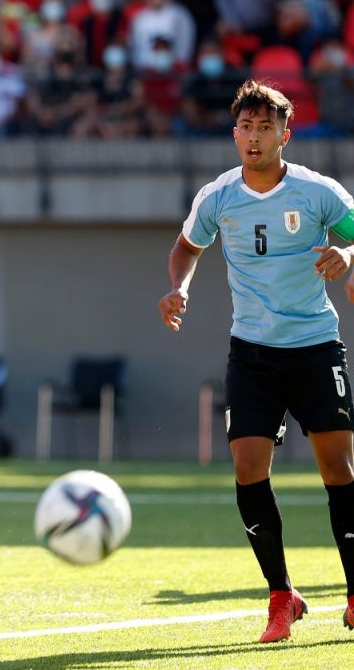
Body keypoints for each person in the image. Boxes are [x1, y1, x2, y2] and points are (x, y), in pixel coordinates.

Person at [158, 80, 354, 644]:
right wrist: (180, 288)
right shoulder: (219, 197)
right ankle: (281, 595)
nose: (253, 137)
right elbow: (185, 248)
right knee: (248, 470)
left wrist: (344, 252)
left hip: (316, 347)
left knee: (338, 471)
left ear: (284, 135)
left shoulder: (318, 193)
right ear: (234, 132)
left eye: (265, 127)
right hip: (252, 352)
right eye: (245, 126)